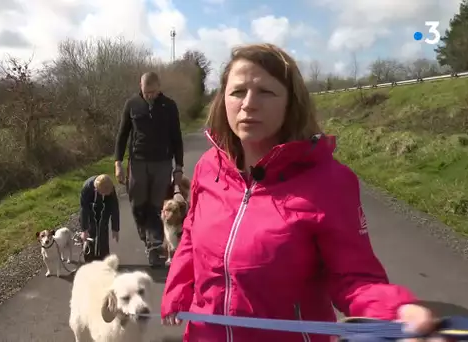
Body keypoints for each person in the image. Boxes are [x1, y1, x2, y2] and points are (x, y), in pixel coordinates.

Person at [160, 43, 446, 341]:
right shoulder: (209, 167)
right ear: (223, 101)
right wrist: (178, 288)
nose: (248, 104)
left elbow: (355, 278)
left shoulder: (330, 181)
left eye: (266, 92)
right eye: (238, 92)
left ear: (290, 103)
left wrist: (396, 313)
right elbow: (192, 232)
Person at [114, 71, 184, 266]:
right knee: (138, 205)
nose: (149, 96)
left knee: (156, 205)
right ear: (141, 87)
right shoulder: (132, 104)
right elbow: (122, 135)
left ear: (159, 88)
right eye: (146, 92)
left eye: (152, 92)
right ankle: (147, 239)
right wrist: (118, 163)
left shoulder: (169, 106)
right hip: (137, 162)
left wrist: (178, 166)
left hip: (162, 162)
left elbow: (177, 138)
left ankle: (154, 246)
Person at [79, 174, 120, 263]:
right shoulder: (87, 188)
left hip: (105, 206)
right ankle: (89, 258)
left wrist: (115, 229)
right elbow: (84, 209)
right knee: (90, 231)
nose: (106, 194)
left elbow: (114, 208)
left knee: (103, 228)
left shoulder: (110, 188)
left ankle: (104, 258)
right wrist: (84, 230)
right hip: (90, 207)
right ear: (96, 189)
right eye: (104, 193)